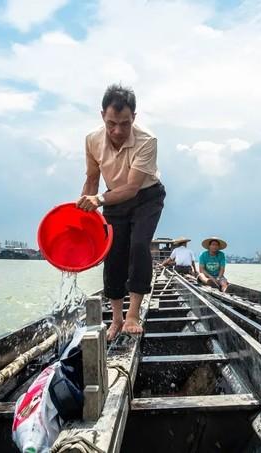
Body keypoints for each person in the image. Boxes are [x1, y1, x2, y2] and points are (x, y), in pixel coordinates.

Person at [76, 84, 165, 340]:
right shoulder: (92, 140)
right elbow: (92, 179)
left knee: (138, 246)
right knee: (113, 254)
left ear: (133, 118)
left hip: (146, 196)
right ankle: (116, 319)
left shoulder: (147, 140)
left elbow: (132, 188)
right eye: (112, 123)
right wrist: (83, 212)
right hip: (113, 197)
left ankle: (133, 314)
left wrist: (98, 199)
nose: (118, 130)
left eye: (125, 124)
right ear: (102, 115)